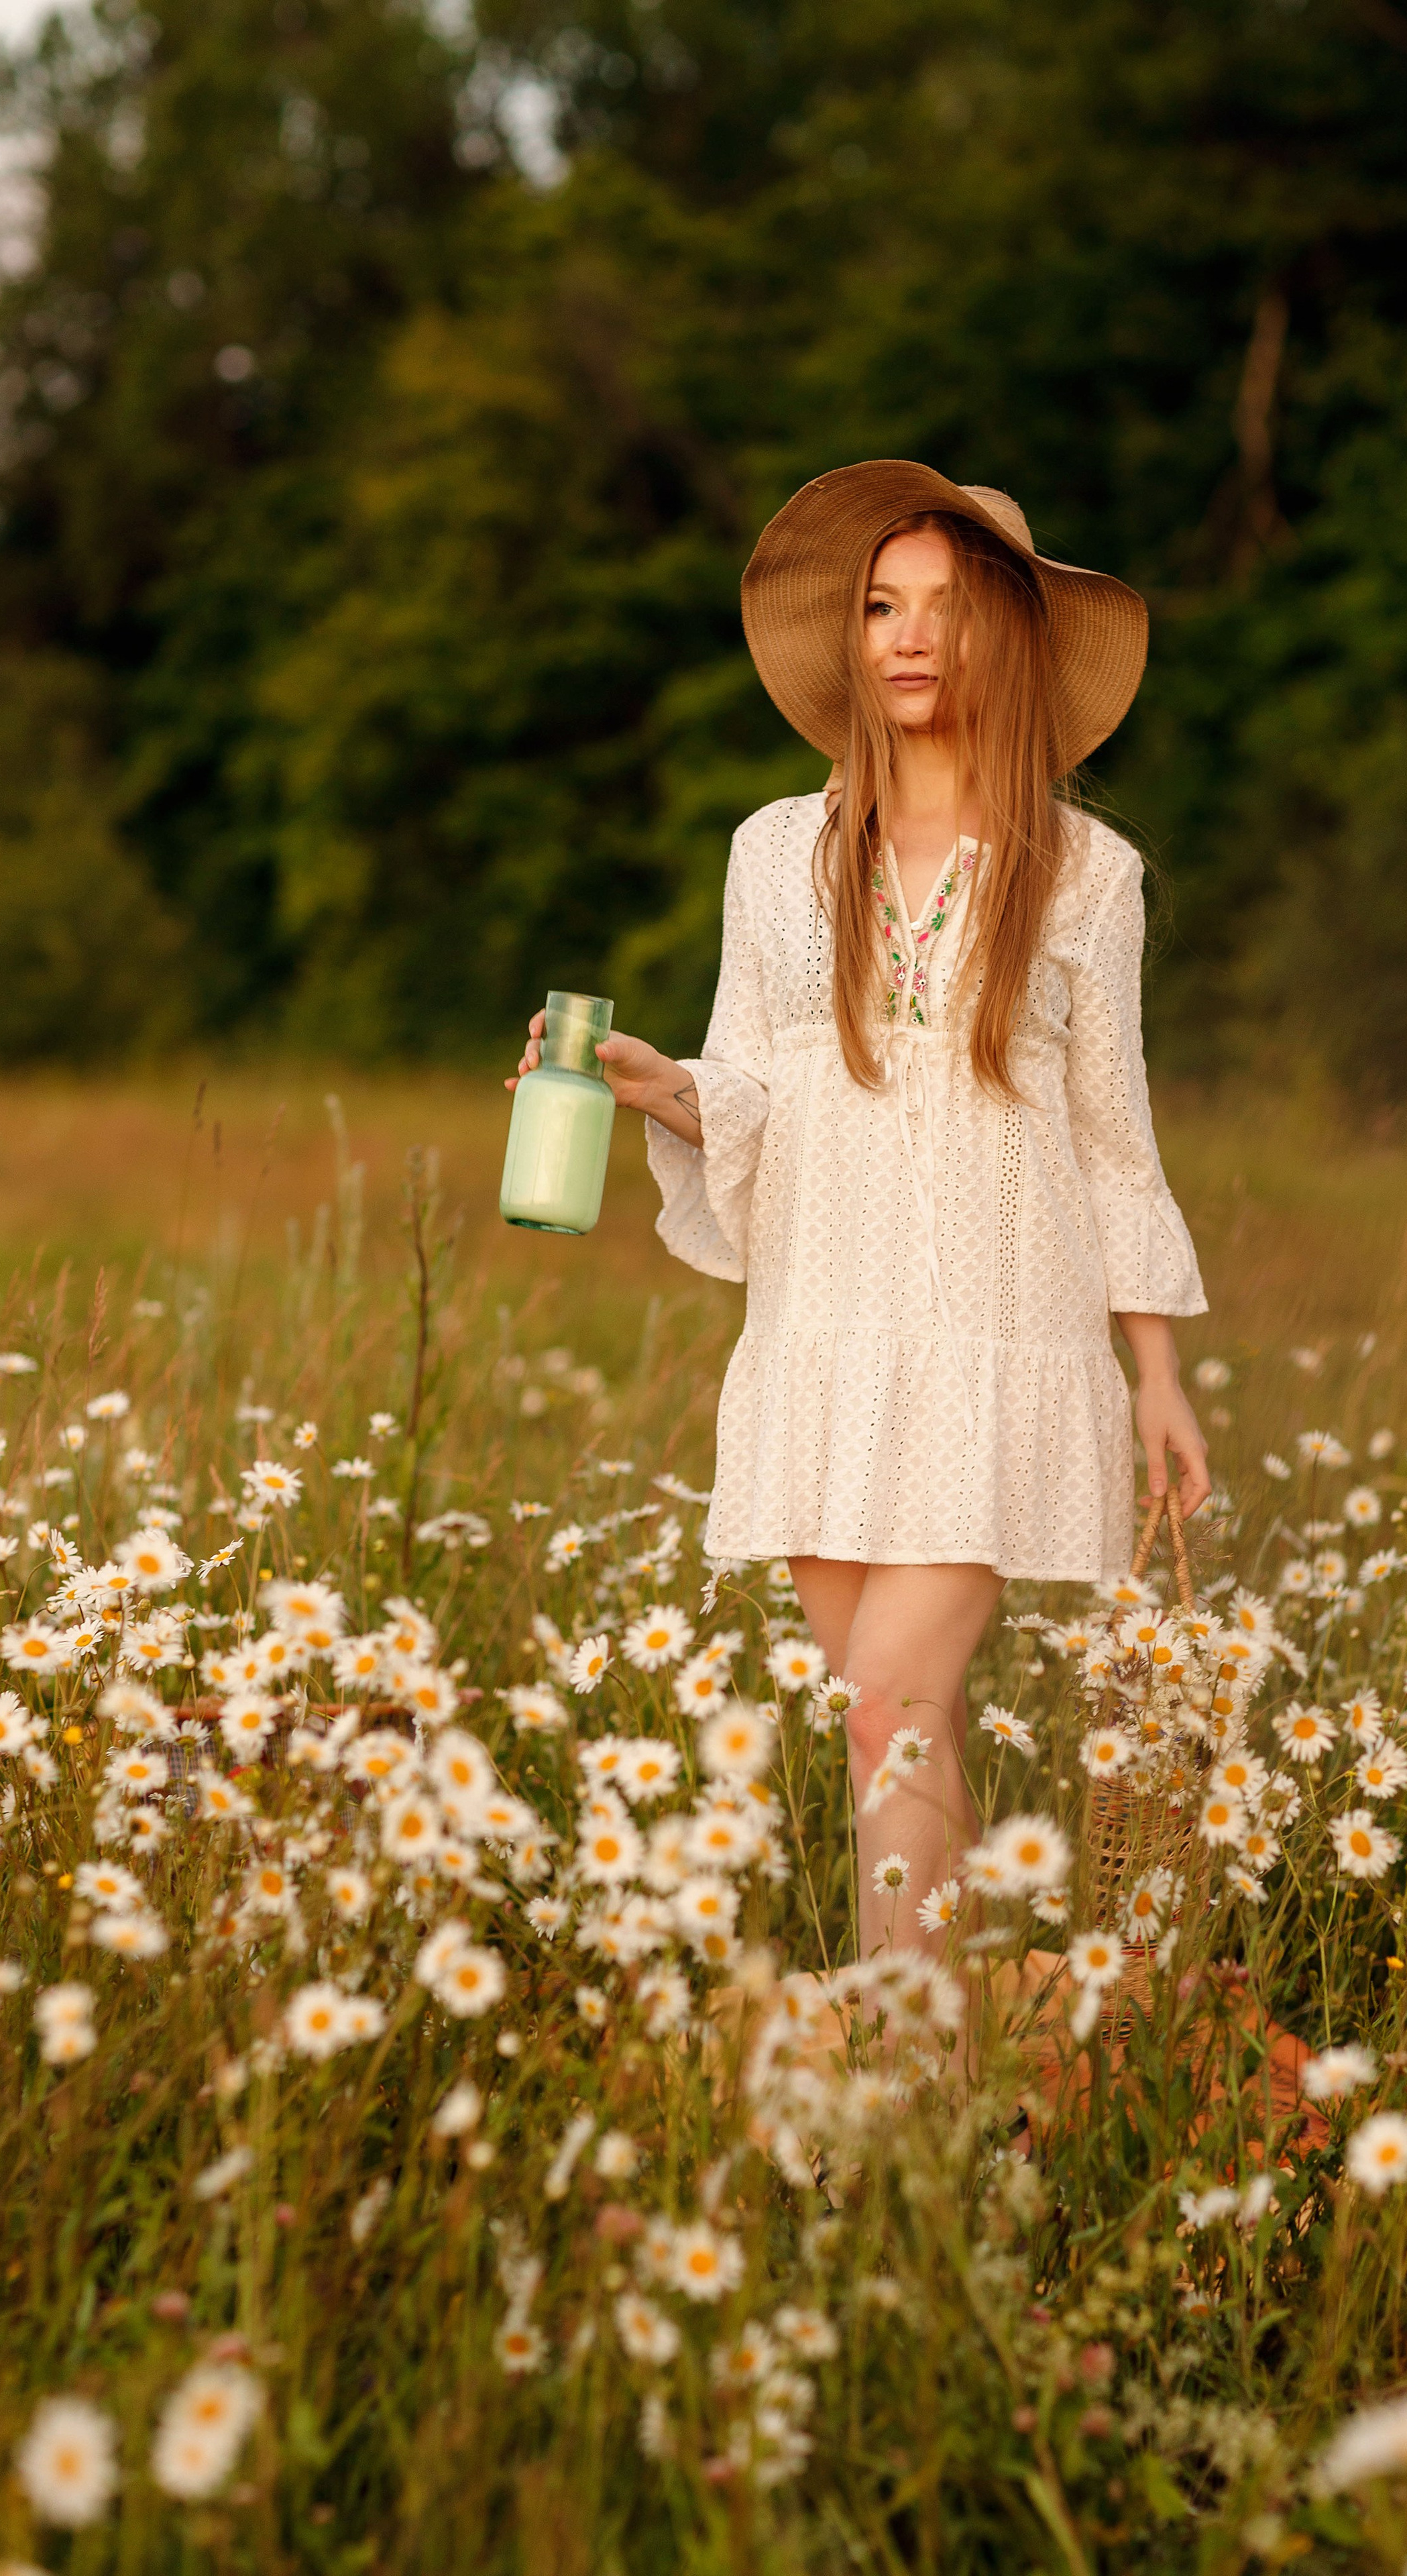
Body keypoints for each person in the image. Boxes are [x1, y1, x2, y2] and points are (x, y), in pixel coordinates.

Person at [508, 460, 1210, 1958]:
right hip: (824, 1325)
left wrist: (1153, 1369)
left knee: (894, 1698)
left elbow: (1115, 1140)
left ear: (1002, 641)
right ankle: (932, 2078)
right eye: (880, 607)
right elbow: (755, 1088)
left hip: (992, 1340)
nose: (905, 637)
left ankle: (899, 2078)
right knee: (887, 1723)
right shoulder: (778, 854)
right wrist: (651, 1081)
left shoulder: (1084, 874)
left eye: (943, 611)